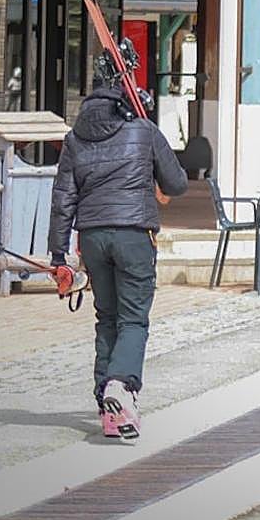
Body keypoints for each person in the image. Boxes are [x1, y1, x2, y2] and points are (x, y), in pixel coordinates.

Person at [48, 73, 188, 440]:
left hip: (92, 237)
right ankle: (120, 386)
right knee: (133, 320)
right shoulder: (143, 131)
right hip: (133, 235)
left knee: (107, 318)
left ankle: (109, 411)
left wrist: (57, 253)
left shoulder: (74, 140)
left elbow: (63, 200)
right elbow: (177, 183)